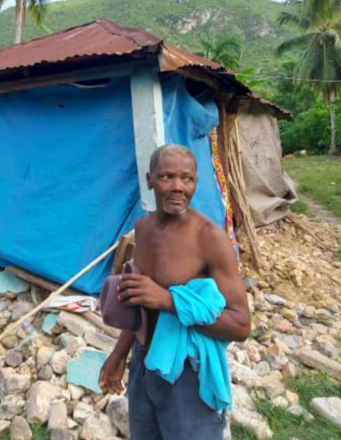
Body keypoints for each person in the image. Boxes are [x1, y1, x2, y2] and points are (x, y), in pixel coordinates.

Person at [99, 144, 250, 440]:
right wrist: (118, 355)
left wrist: (168, 300)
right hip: (145, 363)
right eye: (167, 177)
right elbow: (140, 301)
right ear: (150, 179)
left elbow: (241, 325)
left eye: (187, 178)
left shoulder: (210, 238)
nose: (178, 187)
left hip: (186, 373)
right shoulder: (143, 229)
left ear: (196, 182)